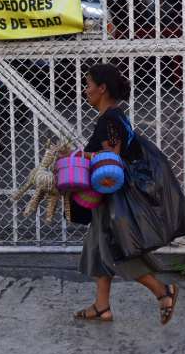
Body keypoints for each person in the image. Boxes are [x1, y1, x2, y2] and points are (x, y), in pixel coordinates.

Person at [73, 63, 179, 325]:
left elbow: (111, 160)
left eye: (88, 85)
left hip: (114, 198)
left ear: (102, 88)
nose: (85, 91)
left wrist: (76, 157)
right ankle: (101, 307)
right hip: (109, 197)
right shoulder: (113, 117)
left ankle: (162, 292)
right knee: (99, 247)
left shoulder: (111, 120)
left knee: (116, 251)